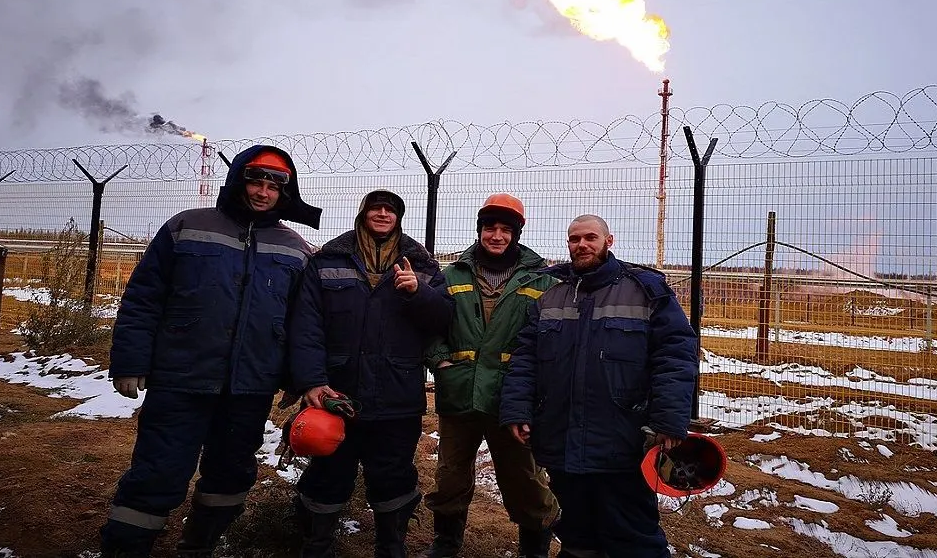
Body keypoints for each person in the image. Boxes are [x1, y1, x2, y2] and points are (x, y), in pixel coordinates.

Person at [100, 146, 322, 558]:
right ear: (239, 180)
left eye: (274, 185)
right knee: (157, 473)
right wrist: (131, 361)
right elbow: (144, 298)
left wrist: (300, 378)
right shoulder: (187, 226)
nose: (263, 192)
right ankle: (125, 549)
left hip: (250, 387)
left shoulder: (296, 248)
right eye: (256, 180)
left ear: (285, 193)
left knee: (231, 476)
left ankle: (198, 546)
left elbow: (303, 324)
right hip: (180, 380)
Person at [499, 214, 699, 558]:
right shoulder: (550, 295)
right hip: (562, 439)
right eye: (574, 239)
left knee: (633, 537)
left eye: (590, 237)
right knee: (576, 537)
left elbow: (676, 354)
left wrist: (669, 418)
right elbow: (525, 358)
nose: (582, 245)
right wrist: (517, 408)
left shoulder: (646, 290)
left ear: (610, 240)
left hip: (623, 440)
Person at [287, 189, 454, 558]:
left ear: (399, 217)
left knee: (393, 475)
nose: (382, 214)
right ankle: (317, 544)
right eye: (375, 208)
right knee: (328, 473)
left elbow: (443, 318)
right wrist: (313, 380)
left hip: (397, 395)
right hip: (336, 393)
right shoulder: (328, 260)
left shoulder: (422, 266)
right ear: (363, 213)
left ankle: (391, 544)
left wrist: (417, 294)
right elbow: (306, 326)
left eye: (390, 209)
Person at [421, 194, 559, 558]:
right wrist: (441, 362)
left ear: (516, 233)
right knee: (450, 475)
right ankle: (446, 544)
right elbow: (431, 325)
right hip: (459, 393)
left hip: (512, 399)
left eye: (504, 229)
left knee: (525, 478)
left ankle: (535, 549)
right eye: (489, 228)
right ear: (480, 230)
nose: (496, 235)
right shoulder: (452, 275)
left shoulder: (541, 279)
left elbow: (551, 337)